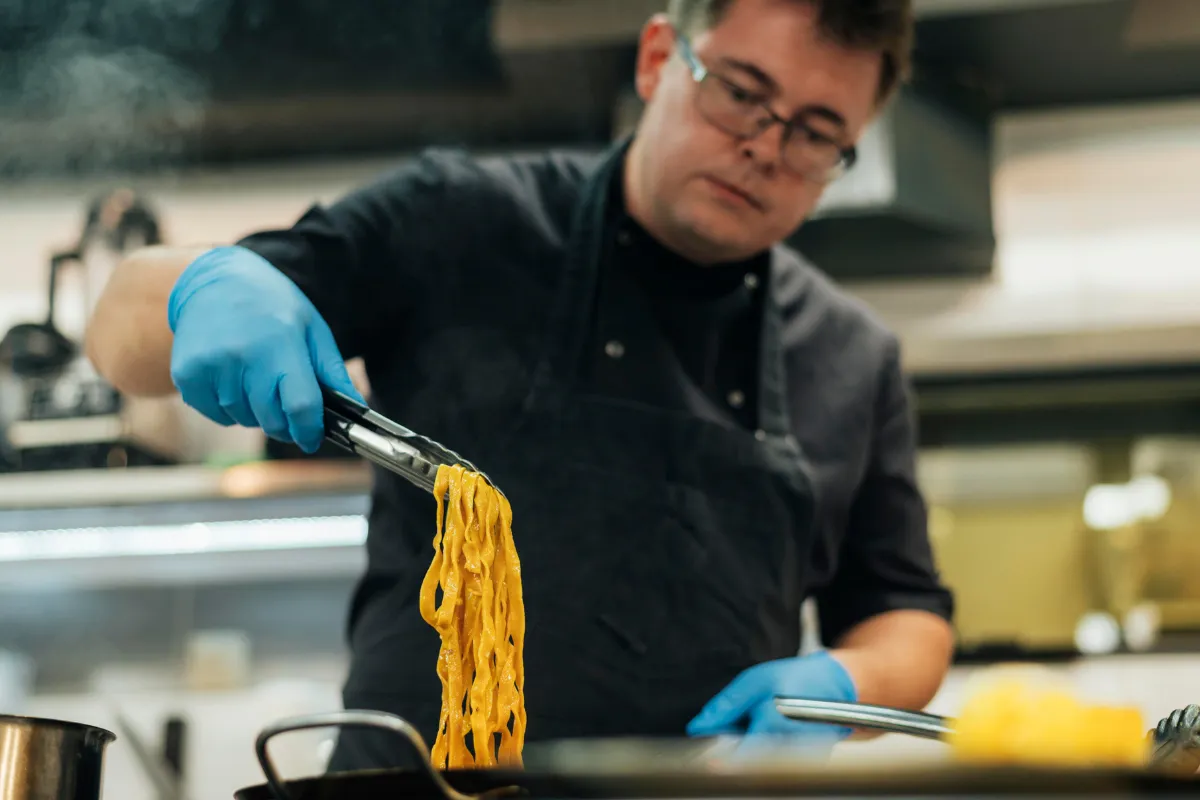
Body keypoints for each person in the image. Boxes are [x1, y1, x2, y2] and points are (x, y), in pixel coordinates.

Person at [86, 0, 955, 771]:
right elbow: (119, 329)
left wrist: (846, 680)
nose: (764, 147)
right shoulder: (460, 217)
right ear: (659, 57)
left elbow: (906, 614)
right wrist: (204, 289)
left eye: (813, 132)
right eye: (739, 90)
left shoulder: (853, 357)